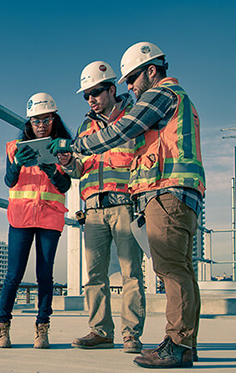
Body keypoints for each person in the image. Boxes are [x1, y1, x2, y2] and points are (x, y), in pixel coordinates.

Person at [49, 42, 205, 369]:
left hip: (165, 192)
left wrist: (74, 144)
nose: (130, 86)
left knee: (169, 272)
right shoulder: (172, 100)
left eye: (132, 78)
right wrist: (69, 161)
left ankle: (175, 345)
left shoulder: (159, 96)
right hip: (156, 195)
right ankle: (180, 343)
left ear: (152, 70)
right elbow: (85, 164)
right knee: (179, 272)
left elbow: (123, 131)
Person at [59, 61, 146, 353]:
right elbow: (79, 169)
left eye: (95, 92)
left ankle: (131, 334)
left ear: (112, 89)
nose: (90, 99)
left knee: (130, 272)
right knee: (94, 276)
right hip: (93, 208)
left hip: (125, 204)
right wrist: (69, 163)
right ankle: (100, 331)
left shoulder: (133, 118)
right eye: (86, 95)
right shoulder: (85, 127)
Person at [0, 92, 72, 350]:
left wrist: (52, 168)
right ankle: (2, 326)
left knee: (45, 276)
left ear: (54, 119)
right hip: (21, 218)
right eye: (36, 120)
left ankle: (42, 329)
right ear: (29, 122)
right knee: (13, 275)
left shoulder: (63, 146)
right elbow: (9, 181)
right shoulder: (14, 148)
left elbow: (65, 184)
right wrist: (17, 163)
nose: (41, 125)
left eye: (46, 119)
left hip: (50, 219)